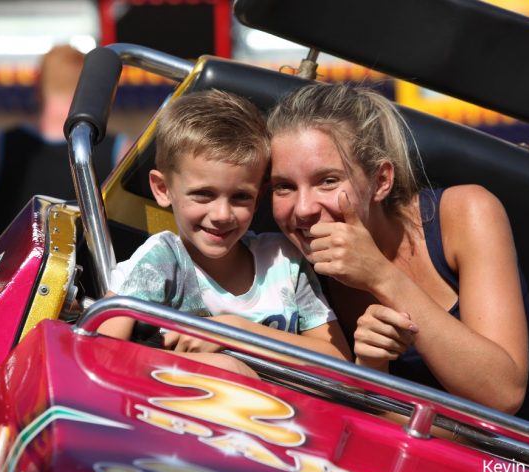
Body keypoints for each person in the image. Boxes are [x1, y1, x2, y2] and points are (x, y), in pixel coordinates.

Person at [266, 83, 529, 427]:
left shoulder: (467, 212)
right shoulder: (283, 266)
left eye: (328, 181)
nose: (302, 209)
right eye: (284, 186)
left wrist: (380, 275)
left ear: (381, 180)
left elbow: (502, 394)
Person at [98, 89, 350, 372]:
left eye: (240, 197)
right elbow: (99, 352)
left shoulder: (285, 260)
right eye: (204, 194)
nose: (221, 215)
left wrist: (235, 332)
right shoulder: (162, 262)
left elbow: (338, 362)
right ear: (162, 189)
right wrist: (221, 367)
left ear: (258, 196)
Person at [0, 45, 129, 250]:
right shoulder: (121, 152)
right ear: (91, 90)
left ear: (37, 86)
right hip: (91, 279)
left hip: (15, 276)